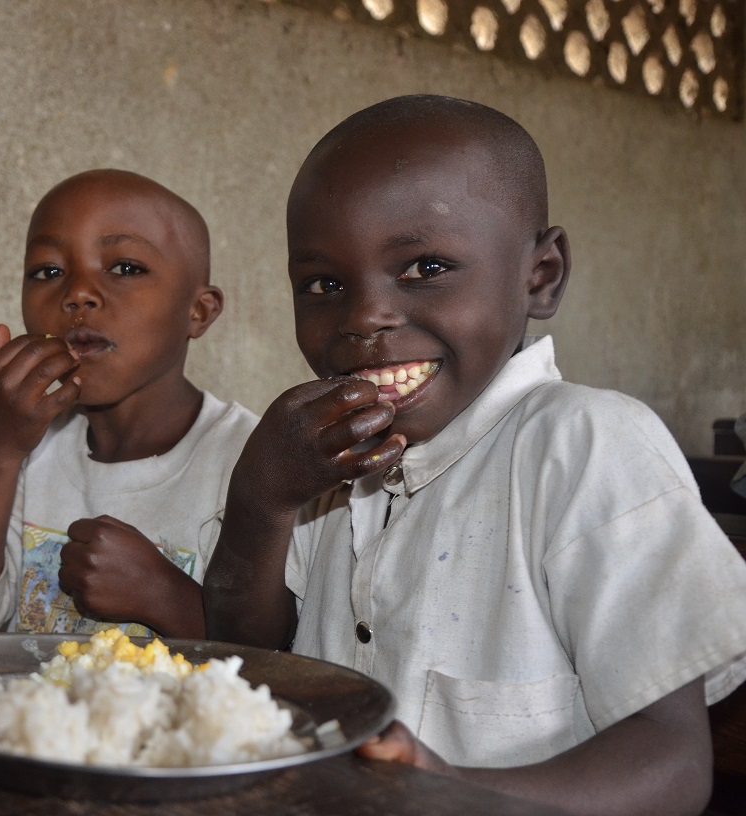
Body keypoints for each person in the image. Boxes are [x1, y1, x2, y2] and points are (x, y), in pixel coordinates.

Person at [202, 95, 746, 815]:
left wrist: (449, 792)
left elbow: (672, 765)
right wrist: (261, 503)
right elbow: (244, 657)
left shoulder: (584, 449)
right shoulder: (326, 465)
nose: (364, 316)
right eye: (325, 284)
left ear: (540, 275)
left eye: (425, 266)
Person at [0, 169, 258, 639]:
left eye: (125, 268)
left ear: (198, 311)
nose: (77, 293)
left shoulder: (251, 463)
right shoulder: (26, 448)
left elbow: (277, 659)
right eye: (49, 272)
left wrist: (164, 597)